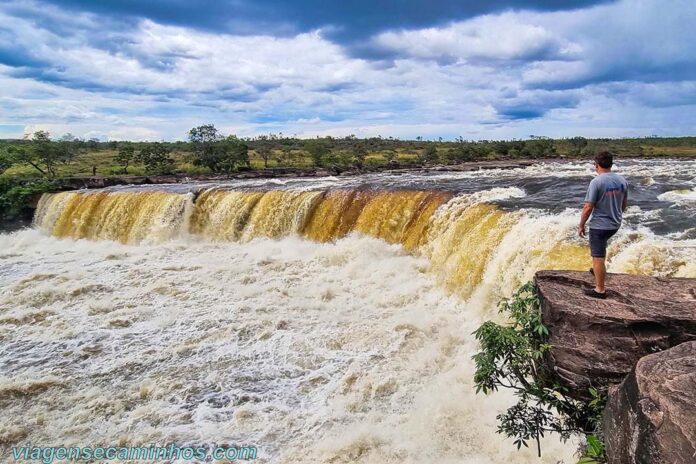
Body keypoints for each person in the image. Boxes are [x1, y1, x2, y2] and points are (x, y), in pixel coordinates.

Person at [578, 150, 628, 299]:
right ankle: (598, 271)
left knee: (597, 256)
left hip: (600, 225)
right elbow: (623, 204)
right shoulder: (622, 180)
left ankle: (600, 289)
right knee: (601, 249)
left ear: (596, 165)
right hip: (615, 224)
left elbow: (588, 206)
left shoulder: (597, 182)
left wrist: (581, 224)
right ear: (611, 164)